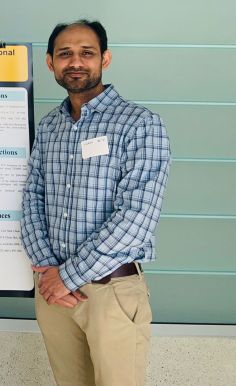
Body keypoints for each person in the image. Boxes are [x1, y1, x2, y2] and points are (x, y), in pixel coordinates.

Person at [21, 20, 170, 386]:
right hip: (55, 296)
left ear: (105, 59)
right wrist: (48, 269)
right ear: (50, 63)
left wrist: (66, 276)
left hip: (111, 293)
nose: (76, 62)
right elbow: (31, 198)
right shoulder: (50, 127)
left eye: (86, 53)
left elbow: (136, 217)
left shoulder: (140, 125)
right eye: (65, 54)